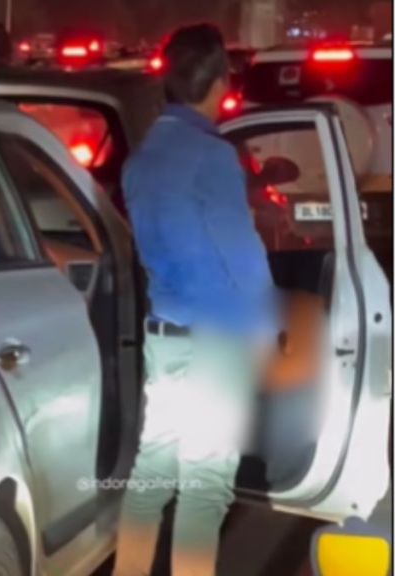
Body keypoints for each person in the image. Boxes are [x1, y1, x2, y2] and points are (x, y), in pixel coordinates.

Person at [113, 23, 278, 576]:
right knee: (204, 489)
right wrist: (265, 328)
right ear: (219, 84)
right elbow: (241, 251)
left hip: (166, 338)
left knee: (151, 478)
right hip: (217, 344)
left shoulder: (140, 162)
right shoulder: (211, 156)